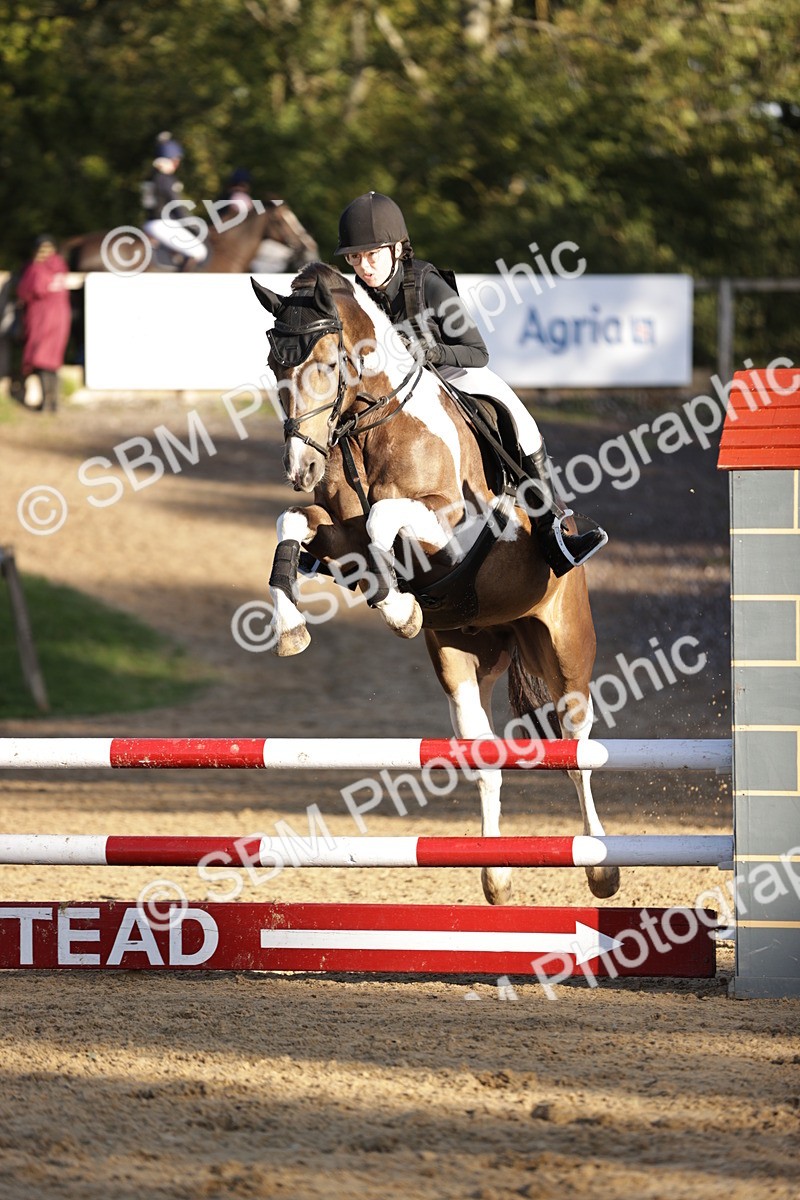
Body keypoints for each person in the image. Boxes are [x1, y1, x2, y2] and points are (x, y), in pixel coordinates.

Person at [334, 191, 607, 577]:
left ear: (397, 248)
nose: (363, 266)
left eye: (371, 255)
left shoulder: (428, 285)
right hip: (395, 397)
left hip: (452, 375)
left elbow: (477, 352)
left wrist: (431, 354)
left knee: (519, 417)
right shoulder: (357, 296)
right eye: (354, 257)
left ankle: (551, 529)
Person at [15, 234, 71, 411]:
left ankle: (47, 402)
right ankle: (54, 402)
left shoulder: (36, 269)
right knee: (53, 361)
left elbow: (25, 292)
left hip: (42, 319)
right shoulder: (60, 266)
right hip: (61, 318)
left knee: (40, 359)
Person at [141, 131, 208, 269]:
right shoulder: (165, 179)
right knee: (199, 252)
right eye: (176, 160)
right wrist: (192, 224)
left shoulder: (150, 177)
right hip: (163, 224)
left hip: (148, 223)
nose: (177, 164)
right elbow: (176, 206)